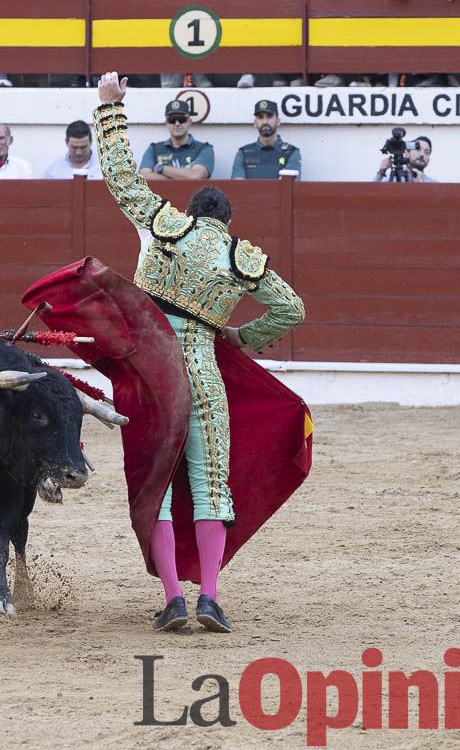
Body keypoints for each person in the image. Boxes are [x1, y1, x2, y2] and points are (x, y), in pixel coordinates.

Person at [93, 71, 306, 633]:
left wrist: (111, 110)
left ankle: (172, 600)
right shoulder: (241, 257)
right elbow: (292, 309)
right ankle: (210, 596)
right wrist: (242, 338)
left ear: (190, 210)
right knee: (211, 482)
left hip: (154, 372)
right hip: (205, 372)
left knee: (158, 482)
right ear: (228, 222)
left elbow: (120, 180)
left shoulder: (165, 227)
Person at [139, 100, 214, 181]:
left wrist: (161, 168)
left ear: (189, 122)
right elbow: (144, 177)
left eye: (182, 119)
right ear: (166, 123)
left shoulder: (204, 149)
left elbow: (196, 176)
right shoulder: (153, 149)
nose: (177, 124)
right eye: (172, 120)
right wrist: (185, 175)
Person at [231, 100, 302, 180]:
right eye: (260, 117)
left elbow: (288, 187)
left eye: (269, 116)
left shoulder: (291, 152)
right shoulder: (243, 153)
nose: (265, 121)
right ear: (255, 123)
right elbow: (238, 188)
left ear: (278, 121)